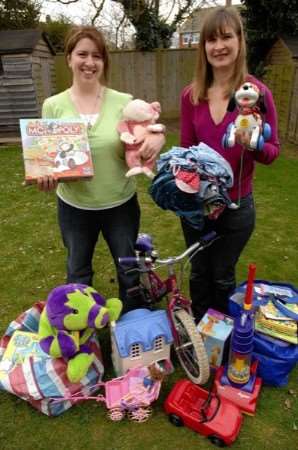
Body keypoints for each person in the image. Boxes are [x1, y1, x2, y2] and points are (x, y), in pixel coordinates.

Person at [38, 26, 165, 314]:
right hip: (74, 207)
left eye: (97, 56)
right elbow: (47, 160)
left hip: (120, 204)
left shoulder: (124, 102)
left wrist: (156, 139)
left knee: (128, 270)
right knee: (78, 272)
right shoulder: (53, 106)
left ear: (104, 61)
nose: (89, 62)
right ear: (69, 58)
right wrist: (45, 176)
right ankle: (82, 332)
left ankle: (132, 328)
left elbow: (146, 133)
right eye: (82, 54)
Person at [180, 7, 280, 321]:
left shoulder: (257, 93)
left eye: (226, 37)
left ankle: (220, 336)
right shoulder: (190, 96)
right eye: (211, 39)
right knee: (198, 271)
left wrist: (255, 145)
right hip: (198, 205)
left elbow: (272, 151)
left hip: (237, 207)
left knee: (221, 274)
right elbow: (186, 151)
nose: (219, 46)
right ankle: (199, 329)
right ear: (203, 47)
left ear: (239, 41)